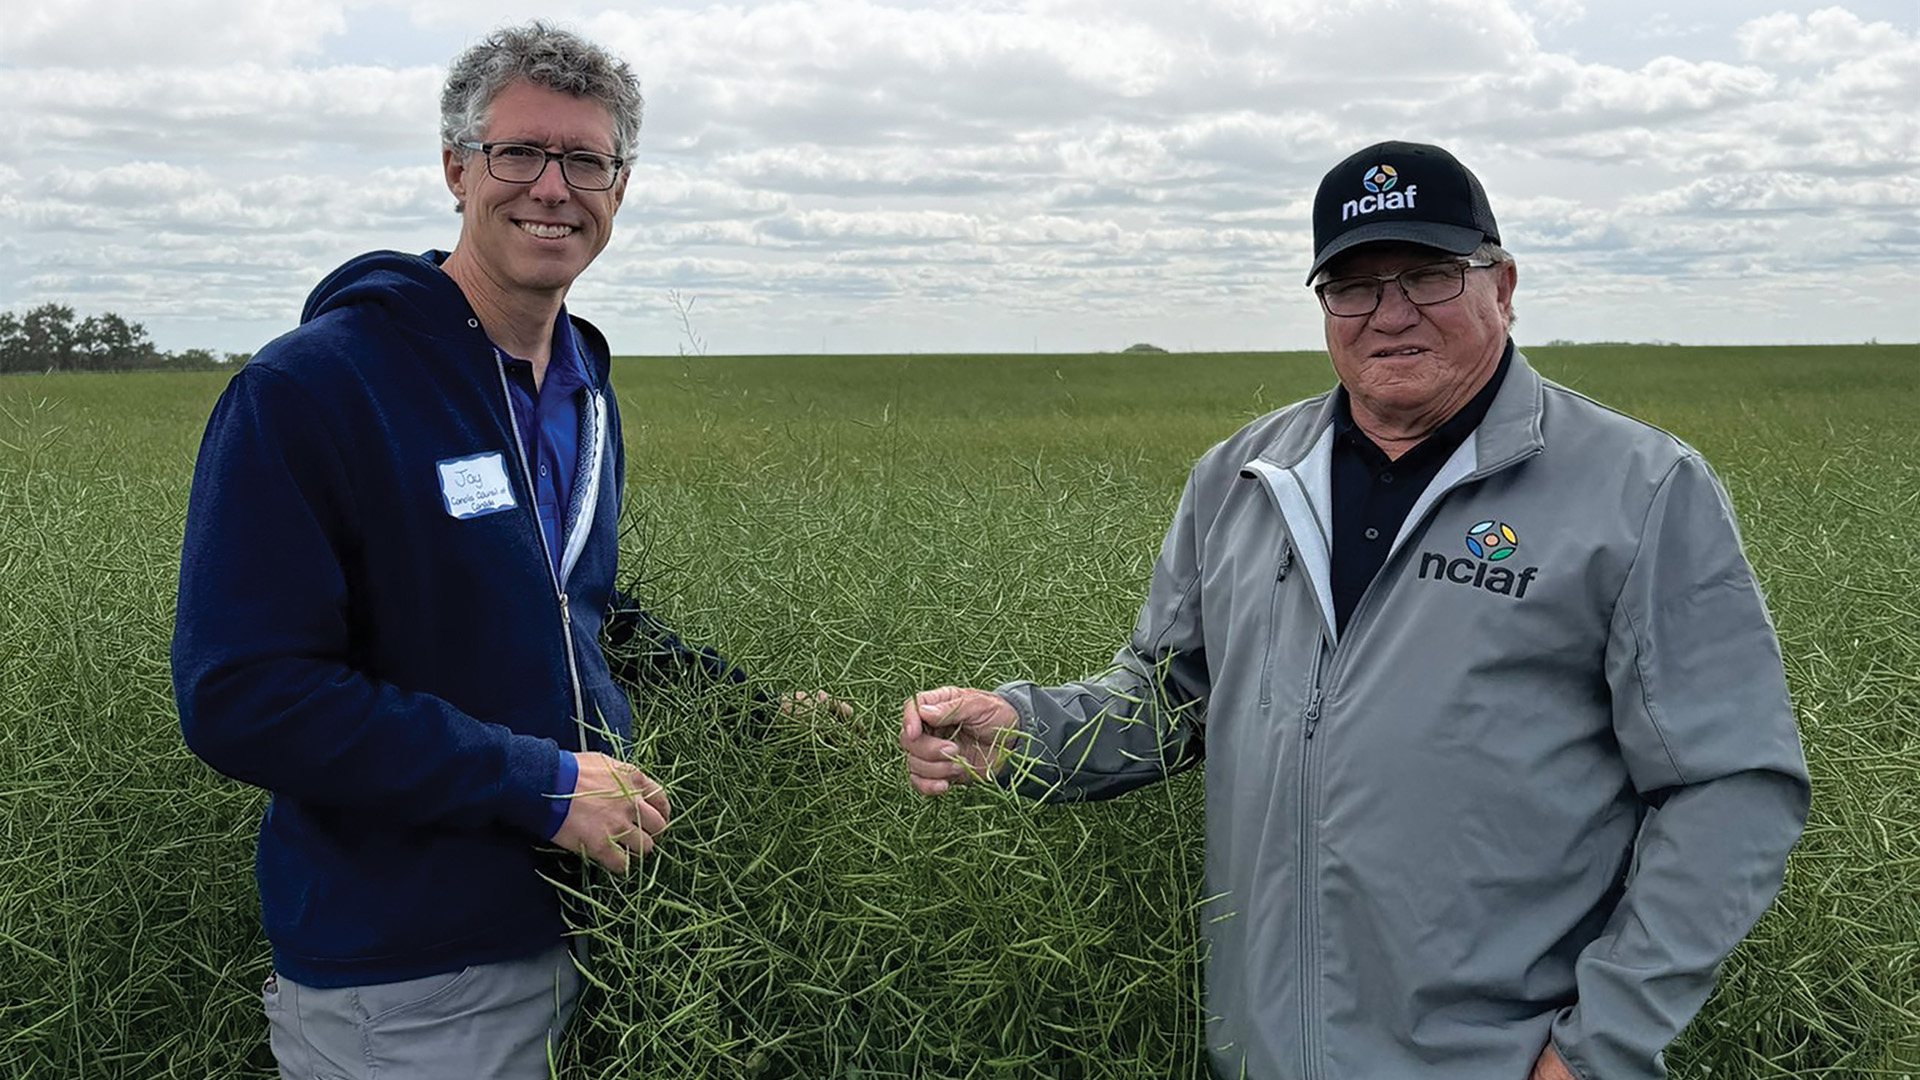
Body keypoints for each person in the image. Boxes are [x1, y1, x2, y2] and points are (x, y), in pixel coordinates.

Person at [899, 140, 1809, 1080]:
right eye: (1354, 285)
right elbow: (1172, 697)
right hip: (1262, 1054)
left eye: (1427, 275)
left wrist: (1596, 1047)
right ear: (1324, 305)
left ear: (1502, 283)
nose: (1391, 314)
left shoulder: (1639, 490)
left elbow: (1731, 786)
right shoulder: (1243, 479)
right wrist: (1024, 731)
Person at [172, 23, 750, 1078]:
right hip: (406, 980)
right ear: (456, 168)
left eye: (586, 161)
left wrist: (751, 710)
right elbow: (245, 694)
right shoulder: (312, 391)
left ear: (623, 186)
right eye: (518, 153)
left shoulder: (584, 388)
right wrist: (537, 785)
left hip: (591, 930)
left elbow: (571, 611)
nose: (552, 188)